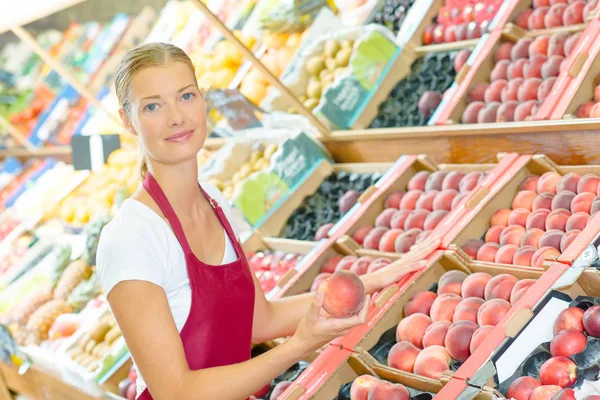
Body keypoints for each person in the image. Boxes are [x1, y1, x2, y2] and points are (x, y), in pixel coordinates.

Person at [96, 42, 436, 400]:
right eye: (152, 106)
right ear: (127, 120)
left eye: (186, 96)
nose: (176, 117)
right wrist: (299, 345)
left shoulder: (214, 201)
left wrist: (374, 279)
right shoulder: (131, 237)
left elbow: (262, 319)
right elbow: (176, 392)